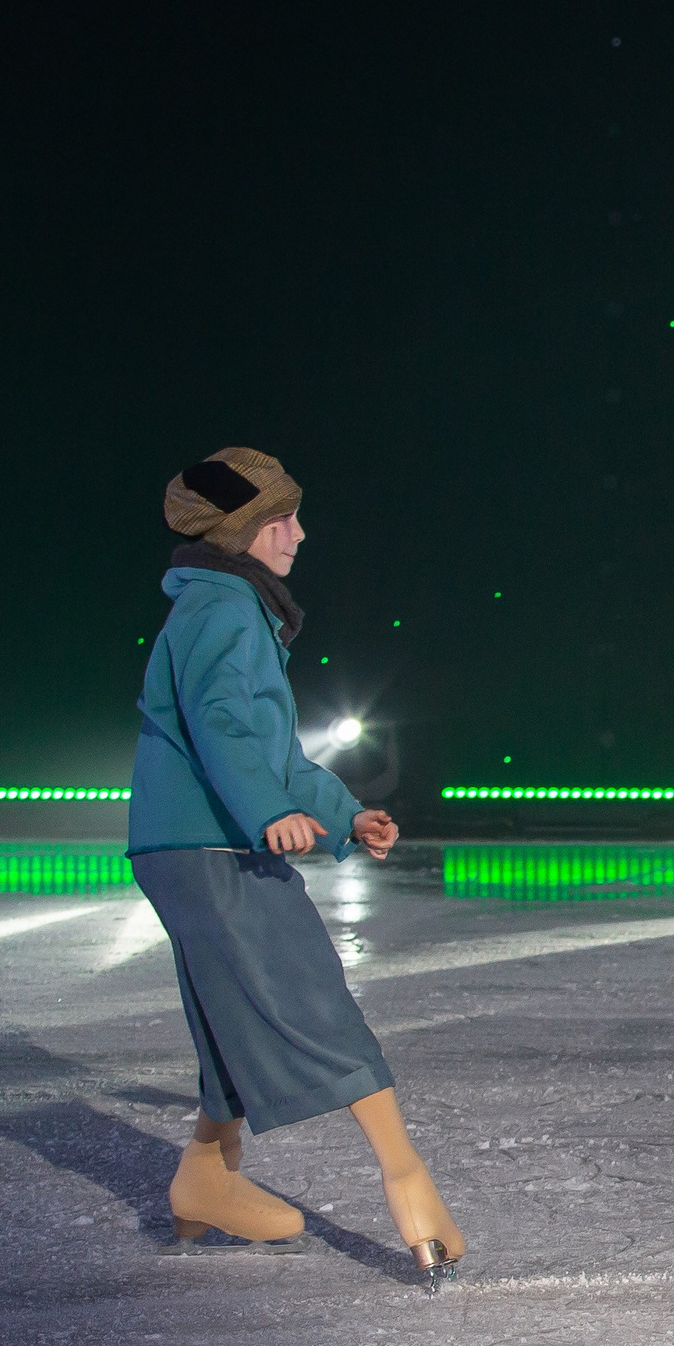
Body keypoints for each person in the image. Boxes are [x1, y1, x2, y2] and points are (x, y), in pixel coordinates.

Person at [128, 447, 468, 1290]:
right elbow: (222, 730)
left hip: (193, 840)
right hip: (209, 842)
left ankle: (205, 1178)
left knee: (230, 1013)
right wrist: (267, 813)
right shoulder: (224, 610)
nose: (299, 534)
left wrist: (345, 815)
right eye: (285, 520)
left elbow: (272, 749)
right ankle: (406, 1178)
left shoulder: (230, 605)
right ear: (245, 531)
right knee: (307, 991)